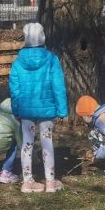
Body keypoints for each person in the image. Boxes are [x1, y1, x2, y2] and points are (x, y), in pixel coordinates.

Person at [9, 22, 67, 193]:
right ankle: (50, 181)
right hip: (46, 109)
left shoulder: (18, 62)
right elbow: (58, 86)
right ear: (42, 37)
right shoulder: (52, 59)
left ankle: (27, 182)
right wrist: (62, 110)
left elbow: (14, 89)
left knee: (27, 144)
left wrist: (16, 109)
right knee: (47, 142)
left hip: (26, 110)